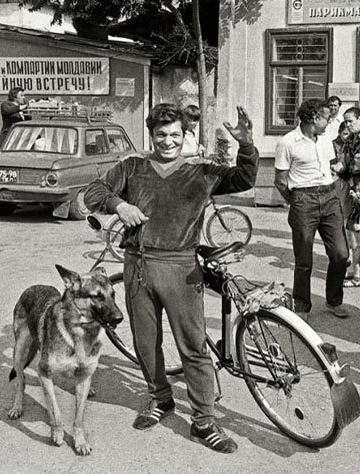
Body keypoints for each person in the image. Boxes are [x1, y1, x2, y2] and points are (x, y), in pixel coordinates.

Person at [83, 103, 258, 453]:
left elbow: (244, 179)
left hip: (181, 269)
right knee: (146, 343)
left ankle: (203, 421)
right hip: (139, 267)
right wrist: (119, 205)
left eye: (175, 135)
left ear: (185, 135)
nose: (168, 141)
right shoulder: (132, 168)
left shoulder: (201, 172)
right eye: (161, 134)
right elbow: (93, 194)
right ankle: (161, 399)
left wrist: (247, 144)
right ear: (152, 134)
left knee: (193, 346)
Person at [274, 98, 350, 321]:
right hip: (303, 200)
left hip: (329, 197)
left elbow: (330, 166)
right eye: (326, 118)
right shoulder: (287, 142)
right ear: (314, 118)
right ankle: (301, 306)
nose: (329, 122)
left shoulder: (325, 139)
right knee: (304, 259)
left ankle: (333, 300)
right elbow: (280, 181)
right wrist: (297, 201)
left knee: (341, 254)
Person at [0, 87, 29, 151]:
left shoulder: (22, 107)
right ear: (14, 97)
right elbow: (9, 110)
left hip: (19, 139)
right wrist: (23, 106)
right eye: (21, 96)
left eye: (24, 95)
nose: (24, 98)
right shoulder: (5, 104)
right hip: (7, 139)